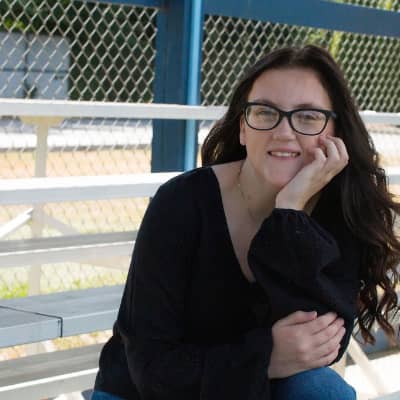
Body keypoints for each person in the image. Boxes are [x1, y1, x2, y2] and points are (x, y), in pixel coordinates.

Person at [92, 45, 400, 400]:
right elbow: (152, 369)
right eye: (265, 112)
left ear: (335, 133)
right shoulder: (180, 203)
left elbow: (320, 344)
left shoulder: (342, 211)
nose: (283, 131)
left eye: (307, 116)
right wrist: (266, 357)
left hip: (247, 388)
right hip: (145, 392)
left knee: (321, 390)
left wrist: (290, 213)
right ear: (243, 128)